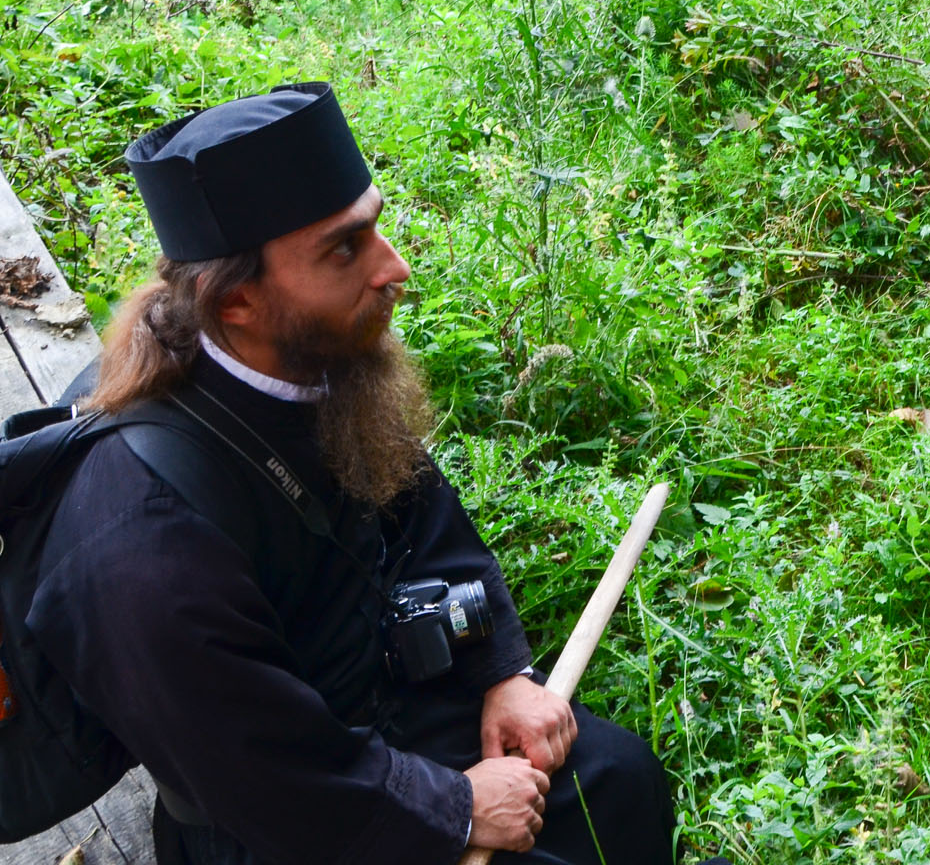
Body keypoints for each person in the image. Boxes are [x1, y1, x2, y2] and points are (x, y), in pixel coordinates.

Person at [25, 83, 677, 864]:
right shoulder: (139, 543)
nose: (395, 267)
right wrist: (457, 808)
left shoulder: (304, 357)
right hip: (286, 817)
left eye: (374, 228)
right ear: (235, 302)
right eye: (344, 249)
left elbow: (421, 521)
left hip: (387, 711)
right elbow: (258, 775)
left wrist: (501, 671)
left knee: (621, 782)